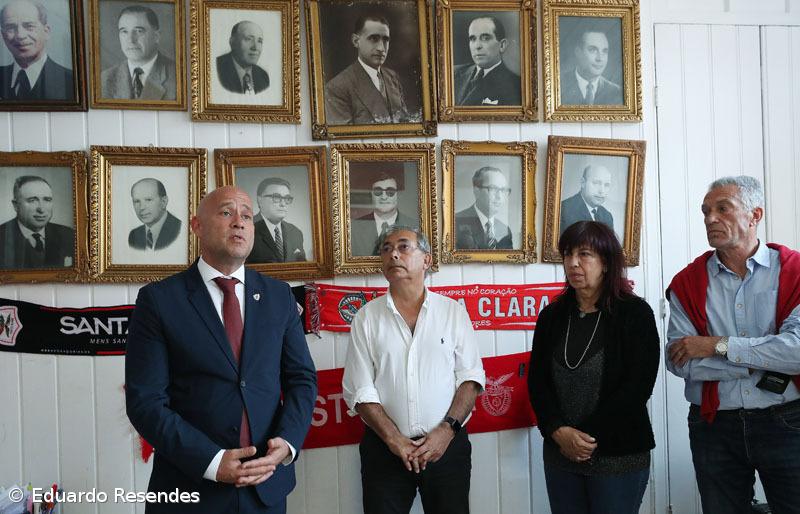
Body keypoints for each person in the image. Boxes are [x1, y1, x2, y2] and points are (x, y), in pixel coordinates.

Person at [125, 186, 317, 514]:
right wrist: (212, 462)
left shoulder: (279, 296)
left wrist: (285, 445)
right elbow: (145, 402)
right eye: (227, 212)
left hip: (265, 487)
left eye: (246, 215)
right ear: (197, 225)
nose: (239, 222)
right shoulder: (159, 300)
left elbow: (301, 380)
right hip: (189, 489)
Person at [666, 176, 800, 514]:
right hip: (714, 426)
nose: (711, 218)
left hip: (788, 421)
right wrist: (766, 357)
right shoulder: (687, 282)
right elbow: (680, 361)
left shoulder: (795, 272)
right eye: (706, 211)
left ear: (755, 215)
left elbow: (797, 352)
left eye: (723, 208)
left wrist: (718, 345)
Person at [343, 226, 485, 514]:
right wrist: (395, 440)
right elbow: (360, 389)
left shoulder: (453, 313)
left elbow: (470, 379)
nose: (393, 253)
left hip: (447, 448)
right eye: (385, 248)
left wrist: (446, 431)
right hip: (385, 452)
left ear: (427, 260)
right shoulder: (366, 319)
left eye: (404, 247)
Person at [528, 221, 659, 514]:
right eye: (567, 254)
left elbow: (637, 388)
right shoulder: (552, 316)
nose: (573, 263)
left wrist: (584, 439)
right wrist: (559, 432)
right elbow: (538, 383)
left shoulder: (634, 314)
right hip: (561, 453)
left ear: (606, 262)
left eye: (584, 254)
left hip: (617, 454)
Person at [324, 14, 414, 125]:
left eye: (385, 40)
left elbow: (405, 125)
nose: (381, 48)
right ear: (356, 41)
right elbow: (345, 139)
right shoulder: (337, 88)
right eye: (373, 39)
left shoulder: (392, 77)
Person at [0, 0, 73, 100]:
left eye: (29, 26)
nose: (20, 35)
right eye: (10, 27)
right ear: (3, 35)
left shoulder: (71, 80)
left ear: (46, 31)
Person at [101, 5, 176, 100]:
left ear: (156, 36)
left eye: (139, 31)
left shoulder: (178, 77)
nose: (131, 40)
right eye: (124, 32)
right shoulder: (104, 80)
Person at [0, 175, 74, 268]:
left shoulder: (68, 235)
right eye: (32, 200)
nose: (41, 209)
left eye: (47, 200)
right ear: (16, 205)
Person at [453, 16, 520, 106]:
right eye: (473, 39)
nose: (477, 46)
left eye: (485, 38)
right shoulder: (453, 74)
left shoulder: (516, 85)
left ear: (502, 45)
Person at [350, 173, 416, 257]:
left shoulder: (413, 226)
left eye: (390, 192)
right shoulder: (354, 228)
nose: (384, 197)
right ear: (371, 194)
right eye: (378, 191)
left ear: (397, 195)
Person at [247, 177, 306, 264]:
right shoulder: (246, 229)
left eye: (287, 198)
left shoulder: (295, 232)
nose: (283, 204)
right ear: (260, 200)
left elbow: (304, 267)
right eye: (276, 197)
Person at [559, 29, 622, 106]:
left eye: (604, 51)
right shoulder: (559, 85)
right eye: (593, 50)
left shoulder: (617, 92)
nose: (600, 58)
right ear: (578, 52)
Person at [455, 166, 513, 249]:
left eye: (503, 190)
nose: (499, 196)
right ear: (476, 191)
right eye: (493, 188)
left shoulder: (505, 230)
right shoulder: (455, 223)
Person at [127, 178, 181, 251]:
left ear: (163, 202)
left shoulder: (180, 230)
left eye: (148, 200)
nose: (142, 207)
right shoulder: (133, 235)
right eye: (137, 201)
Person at [217, 21, 269, 95]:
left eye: (259, 41)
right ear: (232, 42)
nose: (255, 47)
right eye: (249, 39)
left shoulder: (263, 76)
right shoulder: (216, 69)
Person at [560, 164, 614, 236]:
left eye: (606, 185)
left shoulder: (607, 216)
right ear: (583, 183)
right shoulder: (563, 210)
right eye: (596, 183)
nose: (602, 191)